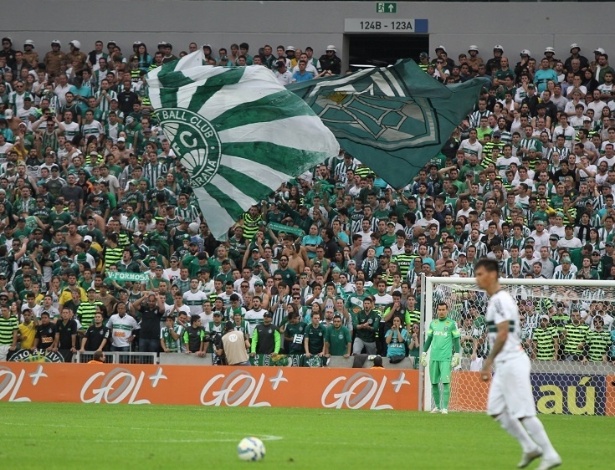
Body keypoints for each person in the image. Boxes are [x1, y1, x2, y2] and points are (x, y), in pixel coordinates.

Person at [476, 258, 561, 470]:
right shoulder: (495, 299)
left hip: (513, 361)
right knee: (495, 409)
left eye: (480, 274)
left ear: (493, 275)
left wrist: (487, 362)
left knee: (523, 413)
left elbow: (503, 333)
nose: (477, 278)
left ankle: (550, 454)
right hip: (504, 364)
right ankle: (530, 447)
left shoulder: (500, 300)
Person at [420, 302, 460, 414]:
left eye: (443, 310)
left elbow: (456, 339)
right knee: (434, 383)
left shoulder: (452, 324)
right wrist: (423, 353)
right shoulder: (433, 323)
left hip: (445, 358)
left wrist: (457, 354)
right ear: (437, 310)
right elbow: (428, 339)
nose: (441, 312)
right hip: (434, 357)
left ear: (447, 310)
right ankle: (437, 406)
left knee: (446, 382)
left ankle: (445, 408)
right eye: (439, 310)